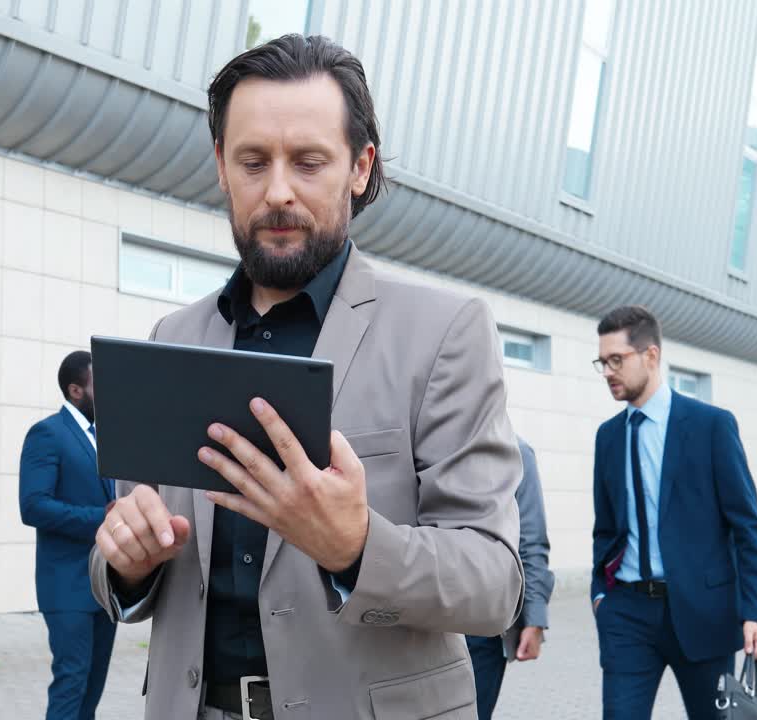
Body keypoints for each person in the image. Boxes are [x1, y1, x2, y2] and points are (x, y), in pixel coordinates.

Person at [88, 34, 525, 720]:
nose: (279, 190)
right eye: (254, 161)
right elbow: (120, 550)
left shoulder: (445, 332)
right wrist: (123, 560)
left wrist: (356, 547)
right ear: (221, 169)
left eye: (309, 161)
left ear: (360, 166)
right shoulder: (172, 340)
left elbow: (495, 584)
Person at [590, 306, 757, 720]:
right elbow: (605, 528)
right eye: (602, 362)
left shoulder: (711, 426)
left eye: (617, 360)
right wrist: (601, 596)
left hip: (703, 612)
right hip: (628, 615)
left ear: (650, 356)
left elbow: (747, 527)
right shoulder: (608, 438)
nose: (608, 371)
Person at [19, 351, 116, 720]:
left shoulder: (105, 437)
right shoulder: (48, 434)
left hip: (104, 587)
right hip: (66, 586)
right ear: (76, 390)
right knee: (71, 685)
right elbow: (33, 506)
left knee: (92, 690)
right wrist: (100, 519)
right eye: (98, 385)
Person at [466, 437, 555, 720]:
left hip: (481, 628)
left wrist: (535, 616)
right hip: (419, 623)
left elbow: (530, 540)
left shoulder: (515, 452)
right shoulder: (419, 444)